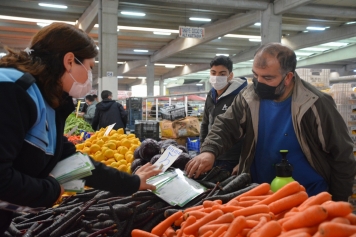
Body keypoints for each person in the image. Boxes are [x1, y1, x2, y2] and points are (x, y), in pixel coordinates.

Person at [0, 22, 160, 235]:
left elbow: (71, 161)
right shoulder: (12, 90)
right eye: (90, 67)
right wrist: (52, 190)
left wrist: (132, 182)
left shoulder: (45, 99)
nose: (90, 77)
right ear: (69, 61)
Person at [186, 43, 356, 201]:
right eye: (255, 75)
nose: (259, 83)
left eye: (267, 78)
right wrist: (209, 151)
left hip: (309, 196)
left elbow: (341, 154)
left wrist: (338, 200)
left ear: (288, 77)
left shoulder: (316, 104)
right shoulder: (248, 96)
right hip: (259, 194)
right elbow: (226, 126)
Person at [200, 56, 247, 174]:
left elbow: (249, 130)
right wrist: (204, 149)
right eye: (213, 73)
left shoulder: (241, 96)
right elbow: (205, 123)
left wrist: (243, 160)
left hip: (232, 157)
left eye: (222, 74)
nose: (217, 77)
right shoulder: (210, 95)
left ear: (230, 76)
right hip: (212, 155)